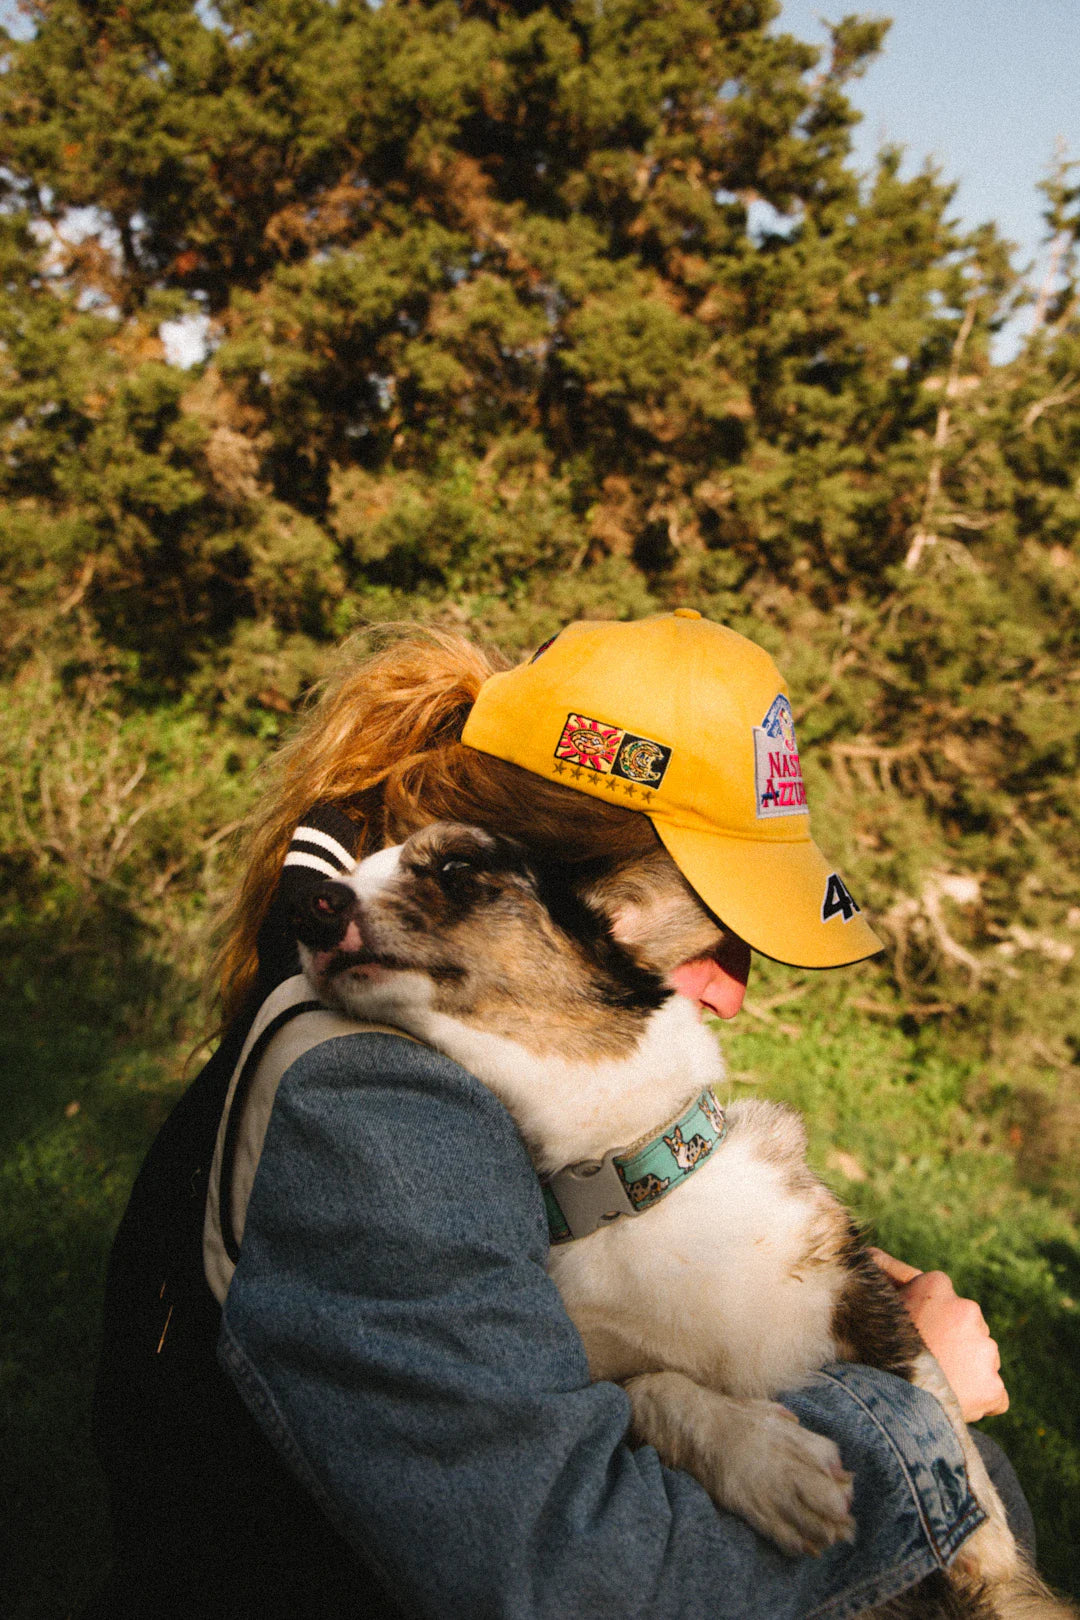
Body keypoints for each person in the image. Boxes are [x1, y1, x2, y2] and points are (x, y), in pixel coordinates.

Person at [87, 613, 1030, 1619]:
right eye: (716, 937)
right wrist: (919, 1418)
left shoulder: (472, 1062)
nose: (734, 992)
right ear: (582, 901)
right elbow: (575, 1577)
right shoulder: (373, 1103)